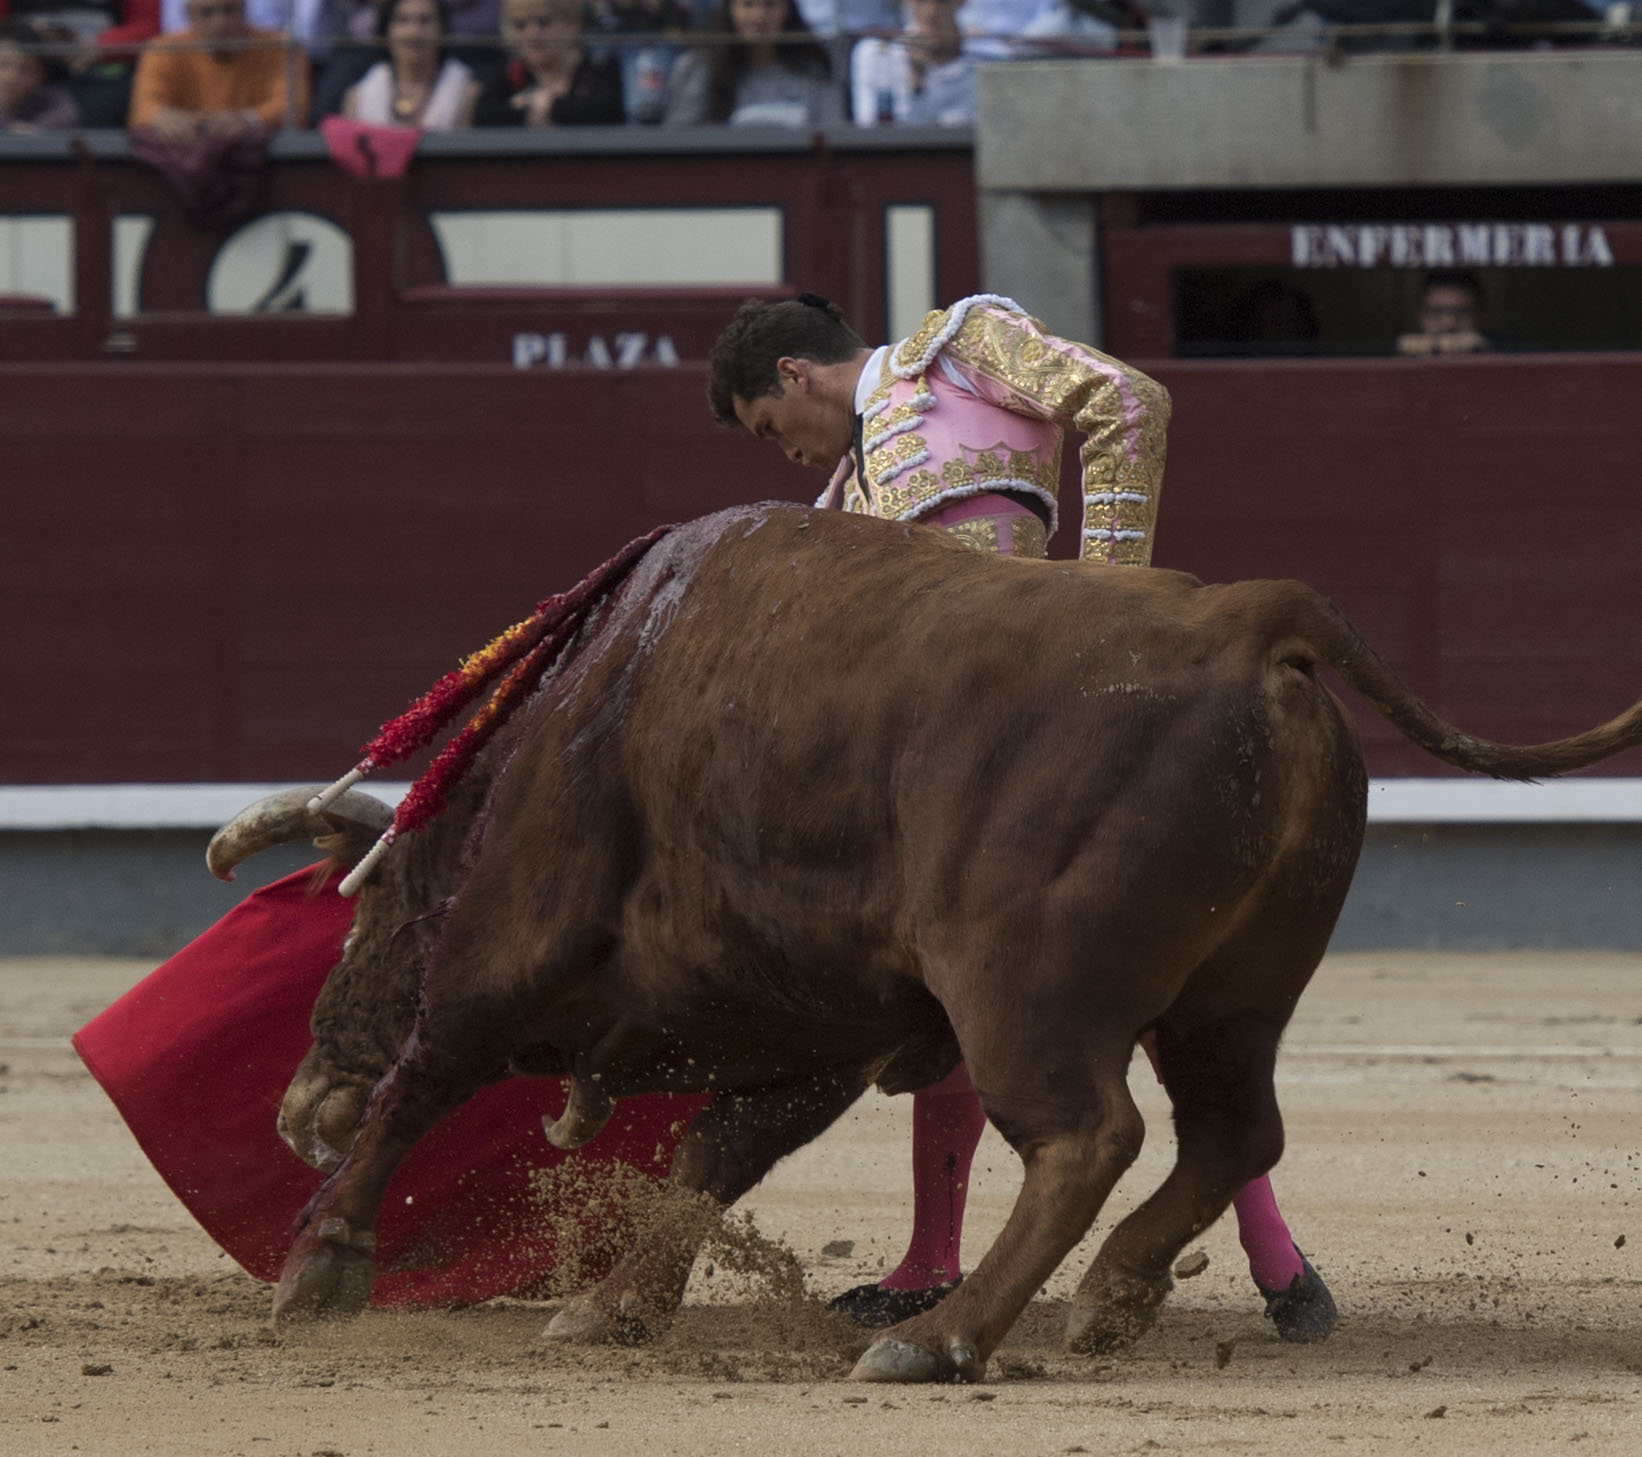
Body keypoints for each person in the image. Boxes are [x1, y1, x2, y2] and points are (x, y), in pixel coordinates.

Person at [705, 291, 1339, 1342]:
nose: (784, 453)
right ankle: (932, 1257)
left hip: (1051, 732)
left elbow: (1125, 401)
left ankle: (1272, 1249)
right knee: (956, 988)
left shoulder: (959, 349)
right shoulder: (839, 497)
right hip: (946, 764)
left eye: (772, 428)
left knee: (1144, 989)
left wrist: (1111, 606)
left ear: (793, 374)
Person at [127, 0, 308, 139]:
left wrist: (248, 120)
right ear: (189, 15)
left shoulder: (281, 48)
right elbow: (143, 108)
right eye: (207, 13)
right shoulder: (163, 50)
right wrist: (162, 118)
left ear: (244, 9)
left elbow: (294, 106)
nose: (220, 22)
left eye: (229, 10)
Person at [662, 0, 840, 126]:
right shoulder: (698, 70)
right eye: (748, 4)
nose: (759, 16)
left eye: (769, 5)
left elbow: (832, 135)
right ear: (729, 10)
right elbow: (679, 141)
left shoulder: (813, 74)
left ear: (788, 10)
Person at [473, 0, 624, 126]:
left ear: (573, 23)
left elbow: (608, 113)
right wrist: (531, 109)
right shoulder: (509, 72)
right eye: (520, 25)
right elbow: (483, 115)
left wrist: (549, 106)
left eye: (543, 22)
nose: (532, 34)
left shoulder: (600, 67)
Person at [340, 0, 480, 128]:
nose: (414, 32)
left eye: (425, 21)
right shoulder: (358, 96)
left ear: (442, 29)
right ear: (386, 31)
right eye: (403, 20)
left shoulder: (467, 93)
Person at [850, 0, 972, 126]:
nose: (931, 12)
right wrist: (916, 80)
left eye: (942, 2)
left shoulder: (978, 58)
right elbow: (872, 129)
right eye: (922, 2)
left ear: (961, 2)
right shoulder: (876, 55)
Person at [0, 19, 82, 128]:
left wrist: (35, 130)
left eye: (25, 69)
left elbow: (68, 114)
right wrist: (9, 127)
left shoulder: (51, 98)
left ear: (40, 75)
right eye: (4, 64)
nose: (11, 76)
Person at [1398, 269, 1491, 356]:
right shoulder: (1400, 357)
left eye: (1462, 312)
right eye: (1436, 312)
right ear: (1420, 316)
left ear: (1481, 316)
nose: (1448, 324)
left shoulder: (1495, 354)